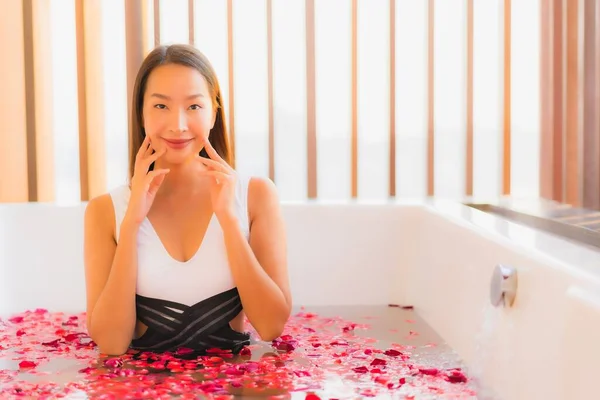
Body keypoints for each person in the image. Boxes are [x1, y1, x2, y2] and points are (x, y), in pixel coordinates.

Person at [83, 44, 292, 356]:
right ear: (141, 113)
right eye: (161, 106)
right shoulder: (104, 211)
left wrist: (229, 220)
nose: (178, 124)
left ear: (214, 111)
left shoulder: (255, 196)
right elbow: (112, 343)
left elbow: (271, 325)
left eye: (193, 107)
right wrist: (131, 225)